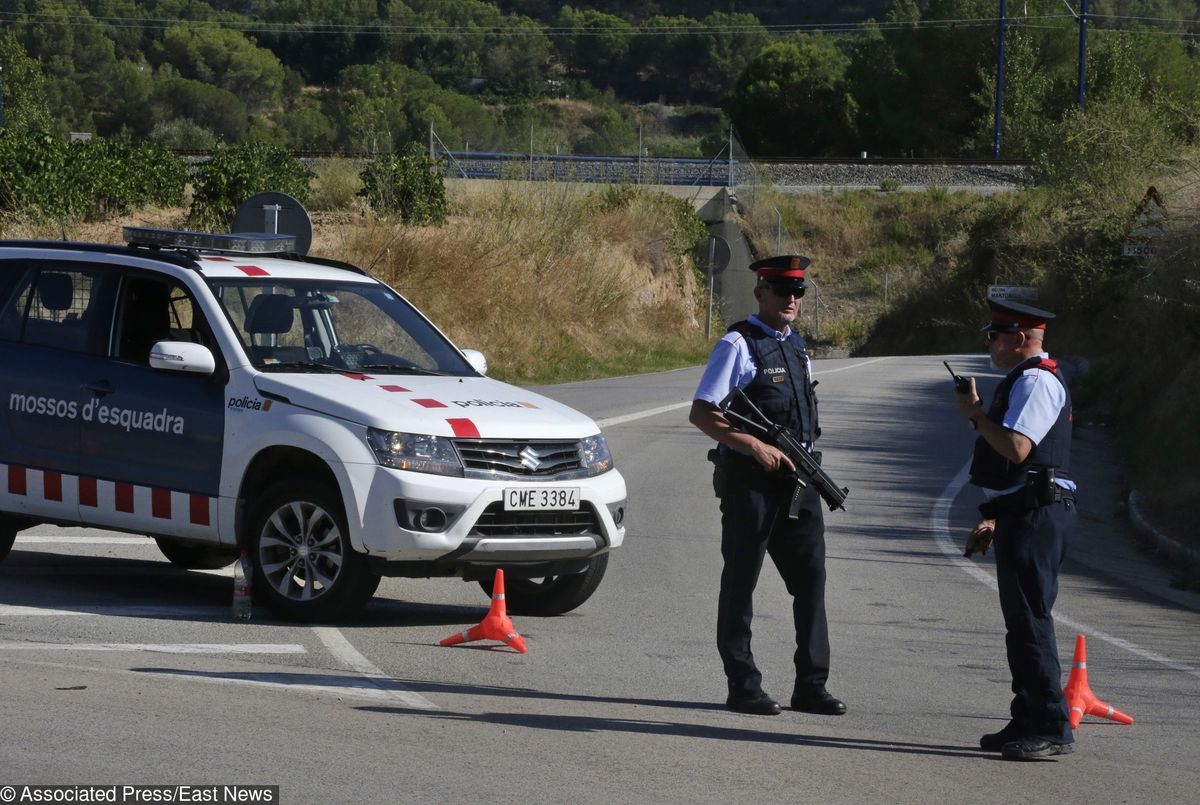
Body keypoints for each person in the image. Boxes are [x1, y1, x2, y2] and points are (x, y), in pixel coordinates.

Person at [689, 255, 846, 717]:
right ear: (760, 293)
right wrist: (751, 446)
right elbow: (703, 412)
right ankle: (743, 684)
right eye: (782, 291)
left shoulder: (797, 347)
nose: (792, 300)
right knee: (741, 582)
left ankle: (812, 685)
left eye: (798, 292)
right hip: (751, 484)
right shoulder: (738, 344)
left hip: (799, 483)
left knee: (811, 582)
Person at [953, 298, 1078, 761]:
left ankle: (1051, 725)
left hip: (1039, 514)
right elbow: (1019, 469)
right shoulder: (1028, 379)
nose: (989, 343)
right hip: (1026, 511)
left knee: (1031, 622)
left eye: (995, 335)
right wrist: (995, 515)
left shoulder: (1036, 381)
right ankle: (1028, 715)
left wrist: (974, 413)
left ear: (1019, 338)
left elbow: (1018, 448)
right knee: (1020, 624)